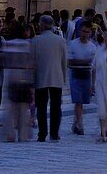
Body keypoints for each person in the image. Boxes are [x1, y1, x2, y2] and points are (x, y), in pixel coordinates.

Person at [31, 14, 67, 142]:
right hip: (56, 76)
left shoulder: (35, 40)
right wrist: (63, 76)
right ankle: (54, 133)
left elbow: (33, 61)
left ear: (42, 25)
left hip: (41, 77)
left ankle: (42, 134)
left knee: (41, 107)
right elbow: (64, 61)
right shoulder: (61, 40)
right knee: (56, 107)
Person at [0, 22, 34, 142]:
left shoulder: (8, 44)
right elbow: (30, 63)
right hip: (24, 75)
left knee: (11, 106)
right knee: (23, 107)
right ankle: (23, 135)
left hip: (10, 74)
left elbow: (4, 59)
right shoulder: (27, 45)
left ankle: (9, 133)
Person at [67, 18, 98, 135]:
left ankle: (75, 123)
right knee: (78, 101)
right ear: (79, 31)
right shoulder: (73, 44)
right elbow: (70, 62)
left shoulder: (92, 47)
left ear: (90, 32)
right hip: (75, 75)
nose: (84, 34)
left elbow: (93, 67)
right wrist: (85, 62)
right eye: (83, 31)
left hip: (86, 76)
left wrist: (93, 84)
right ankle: (81, 125)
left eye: (87, 32)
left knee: (82, 102)